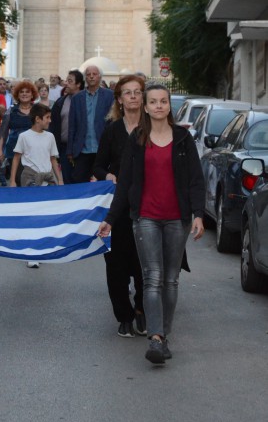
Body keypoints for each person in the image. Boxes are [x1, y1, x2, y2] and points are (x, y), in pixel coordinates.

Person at [98, 84, 205, 365]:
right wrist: (110, 219)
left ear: (169, 106)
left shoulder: (183, 138)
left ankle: (164, 333)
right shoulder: (137, 139)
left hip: (177, 220)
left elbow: (195, 179)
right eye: (153, 102)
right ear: (145, 107)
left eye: (164, 101)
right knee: (153, 278)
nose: (159, 106)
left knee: (171, 279)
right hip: (145, 217)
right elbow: (125, 184)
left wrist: (198, 214)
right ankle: (156, 337)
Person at [92, 75, 146, 339]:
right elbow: (98, 165)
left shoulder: (153, 128)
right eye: (128, 93)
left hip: (147, 205)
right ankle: (123, 315)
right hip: (116, 208)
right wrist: (106, 176)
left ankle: (142, 310)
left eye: (138, 92)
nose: (133, 96)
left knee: (145, 263)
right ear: (120, 99)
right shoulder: (112, 130)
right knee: (116, 264)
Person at [10, 103, 63, 268]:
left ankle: (42, 248)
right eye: (47, 117)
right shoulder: (24, 136)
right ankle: (31, 252)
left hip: (47, 180)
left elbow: (53, 159)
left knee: (46, 215)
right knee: (32, 216)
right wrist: (12, 180)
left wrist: (60, 180)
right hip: (30, 179)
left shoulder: (50, 137)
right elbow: (16, 158)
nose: (50, 120)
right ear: (38, 119)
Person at [67, 65, 114, 183]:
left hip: (103, 147)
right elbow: (72, 125)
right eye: (88, 74)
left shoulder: (109, 95)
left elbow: (113, 122)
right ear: (85, 78)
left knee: (104, 182)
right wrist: (70, 150)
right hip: (82, 149)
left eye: (94, 74)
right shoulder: (77, 98)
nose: (91, 76)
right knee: (79, 181)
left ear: (100, 76)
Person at [0, 80, 38, 184]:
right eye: (21, 92)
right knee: (18, 180)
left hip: (34, 152)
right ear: (17, 94)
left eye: (27, 91)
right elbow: (3, 132)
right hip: (15, 151)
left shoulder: (38, 110)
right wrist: (0, 150)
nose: (24, 94)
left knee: (33, 181)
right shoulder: (10, 111)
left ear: (32, 94)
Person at [50, 70, 84, 184]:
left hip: (83, 149)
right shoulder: (60, 102)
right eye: (66, 80)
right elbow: (53, 125)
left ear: (78, 84)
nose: (66, 83)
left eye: (70, 81)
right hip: (64, 148)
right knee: (67, 179)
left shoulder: (86, 101)